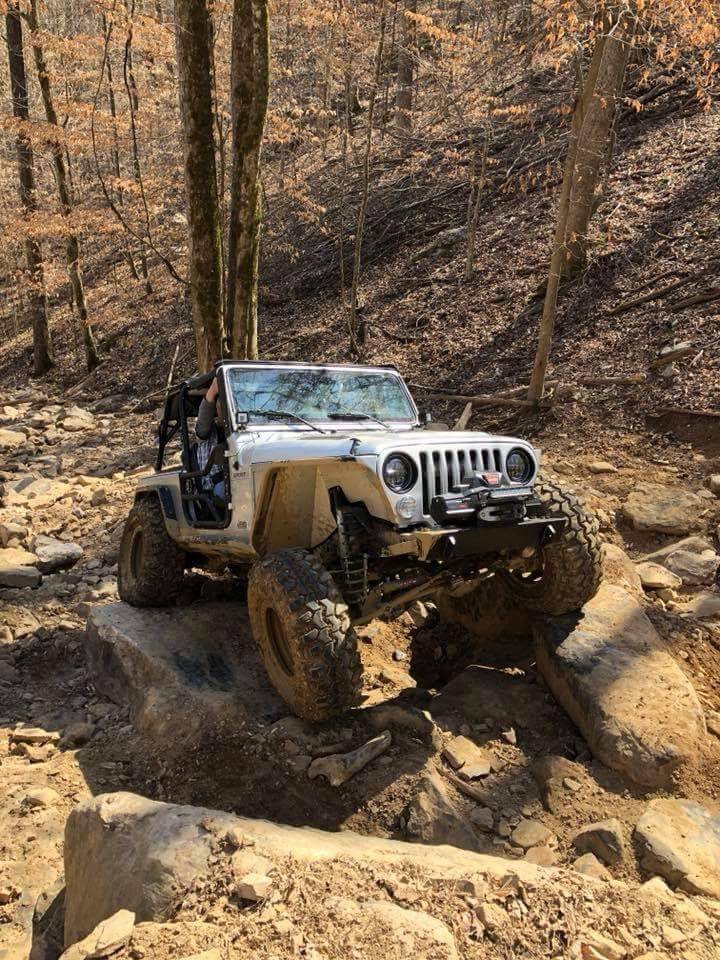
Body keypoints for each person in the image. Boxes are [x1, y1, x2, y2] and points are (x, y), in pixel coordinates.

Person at [194, 377, 226, 502]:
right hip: (215, 483)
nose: (224, 409)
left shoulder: (242, 430)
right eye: (221, 405)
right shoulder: (207, 431)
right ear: (216, 410)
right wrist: (213, 390)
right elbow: (204, 419)